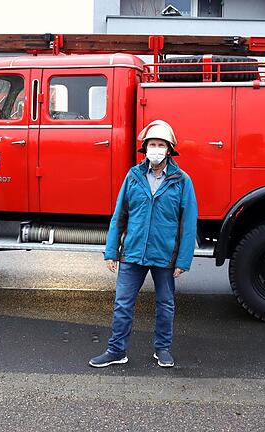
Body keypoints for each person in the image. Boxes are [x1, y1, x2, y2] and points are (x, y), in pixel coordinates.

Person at [90, 120, 198, 368]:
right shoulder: (133, 176)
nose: (156, 149)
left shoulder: (182, 181)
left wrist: (183, 260)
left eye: (161, 145)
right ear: (145, 148)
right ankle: (116, 351)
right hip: (133, 253)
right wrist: (111, 251)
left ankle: (162, 349)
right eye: (152, 144)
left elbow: (188, 223)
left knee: (165, 304)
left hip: (164, 254)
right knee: (122, 304)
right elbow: (120, 215)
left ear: (169, 149)